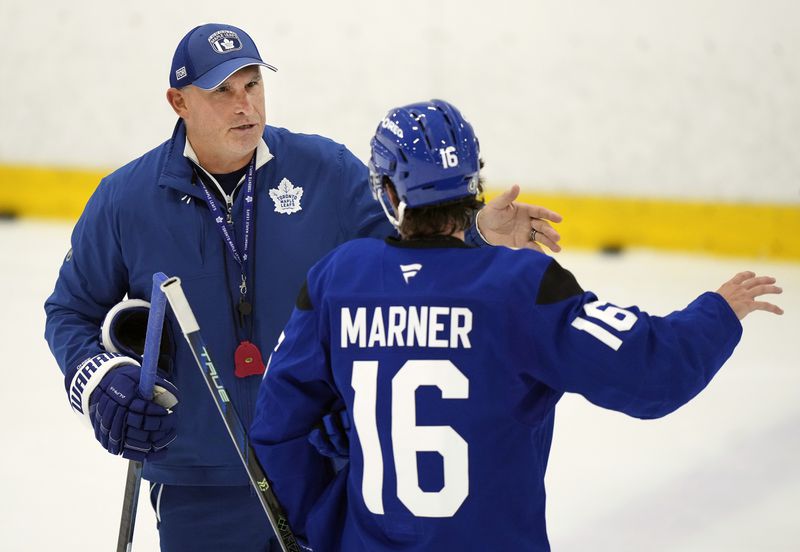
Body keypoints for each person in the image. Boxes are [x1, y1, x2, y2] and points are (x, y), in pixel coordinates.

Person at [43, 24, 563, 552]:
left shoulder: (326, 173)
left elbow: (411, 261)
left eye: (252, 85)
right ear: (179, 101)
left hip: (320, 472)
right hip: (197, 487)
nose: (244, 105)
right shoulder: (124, 200)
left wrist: (472, 234)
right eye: (221, 91)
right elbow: (70, 311)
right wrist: (98, 381)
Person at [249, 99, 784, 551]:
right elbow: (653, 373)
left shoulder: (338, 280)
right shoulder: (519, 286)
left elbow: (278, 427)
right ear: (474, 180)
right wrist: (717, 312)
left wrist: (327, 525)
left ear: (389, 194)